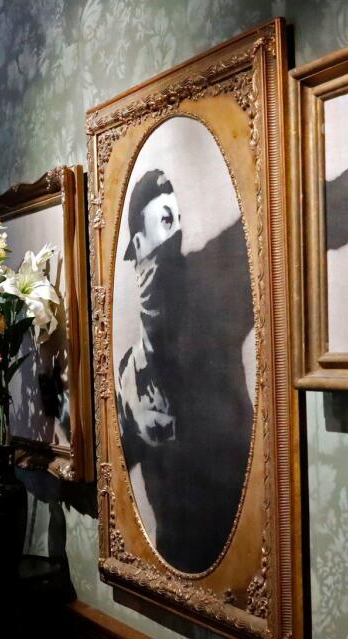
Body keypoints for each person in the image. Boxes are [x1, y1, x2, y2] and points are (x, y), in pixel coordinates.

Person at [114, 168, 254, 574]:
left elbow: (256, 242)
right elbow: (113, 468)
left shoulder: (208, 298)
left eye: (179, 220)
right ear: (139, 243)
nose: (177, 233)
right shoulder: (129, 372)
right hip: (175, 565)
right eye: (166, 220)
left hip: (239, 551)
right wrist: (135, 425)